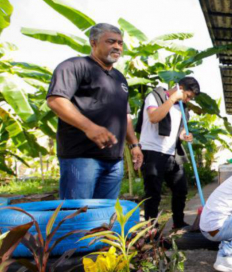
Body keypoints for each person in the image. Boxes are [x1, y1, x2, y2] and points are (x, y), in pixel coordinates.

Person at [47, 23, 143, 200]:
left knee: (103, 217)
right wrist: (89, 127)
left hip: (114, 160)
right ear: (93, 43)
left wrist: (134, 144)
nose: (117, 46)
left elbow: (125, 114)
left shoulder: (119, 78)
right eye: (111, 41)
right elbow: (56, 100)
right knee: (77, 215)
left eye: (120, 43)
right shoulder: (75, 66)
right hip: (81, 157)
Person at [135, 77, 200, 229]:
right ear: (180, 88)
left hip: (172, 154)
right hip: (152, 152)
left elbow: (180, 132)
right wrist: (172, 99)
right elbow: (154, 117)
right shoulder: (155, 97)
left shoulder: (182, 108)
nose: (187, 100)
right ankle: (151, 228)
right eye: (187, 96)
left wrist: (185, 135)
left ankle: (178, 222)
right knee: (153, 193)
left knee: (181, 189)